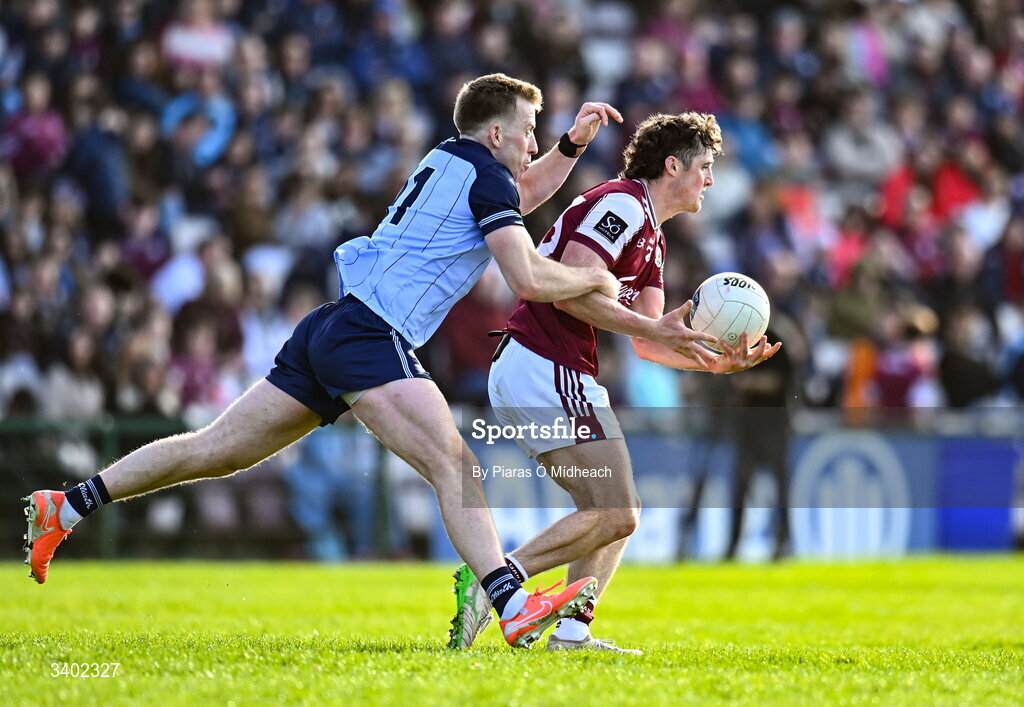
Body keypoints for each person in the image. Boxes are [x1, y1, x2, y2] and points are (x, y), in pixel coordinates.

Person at [22, 74, 626, 649]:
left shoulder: (450, 160)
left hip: (334, 324)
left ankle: (67, 505)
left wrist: (572, 146)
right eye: (529, 129)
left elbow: (523, 191)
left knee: (214, 449)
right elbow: (523, 275)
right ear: (497, 134)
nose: (534, 141)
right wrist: (592, 277)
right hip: (371, 333)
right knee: (456, 466)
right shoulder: (489, 176)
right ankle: (512, 605)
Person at [448, 112, 781, 653]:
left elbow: (650, 341)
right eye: (706, 166)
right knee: (617, 510)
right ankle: (496, 582)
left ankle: (573, 632)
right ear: (673, 166)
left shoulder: (652, 234)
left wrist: (711, 363)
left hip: (551, 365)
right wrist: (654, 327)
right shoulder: (622, 205)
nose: (712, 180)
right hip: (544, 360)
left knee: (612, 515)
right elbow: (568, 289)